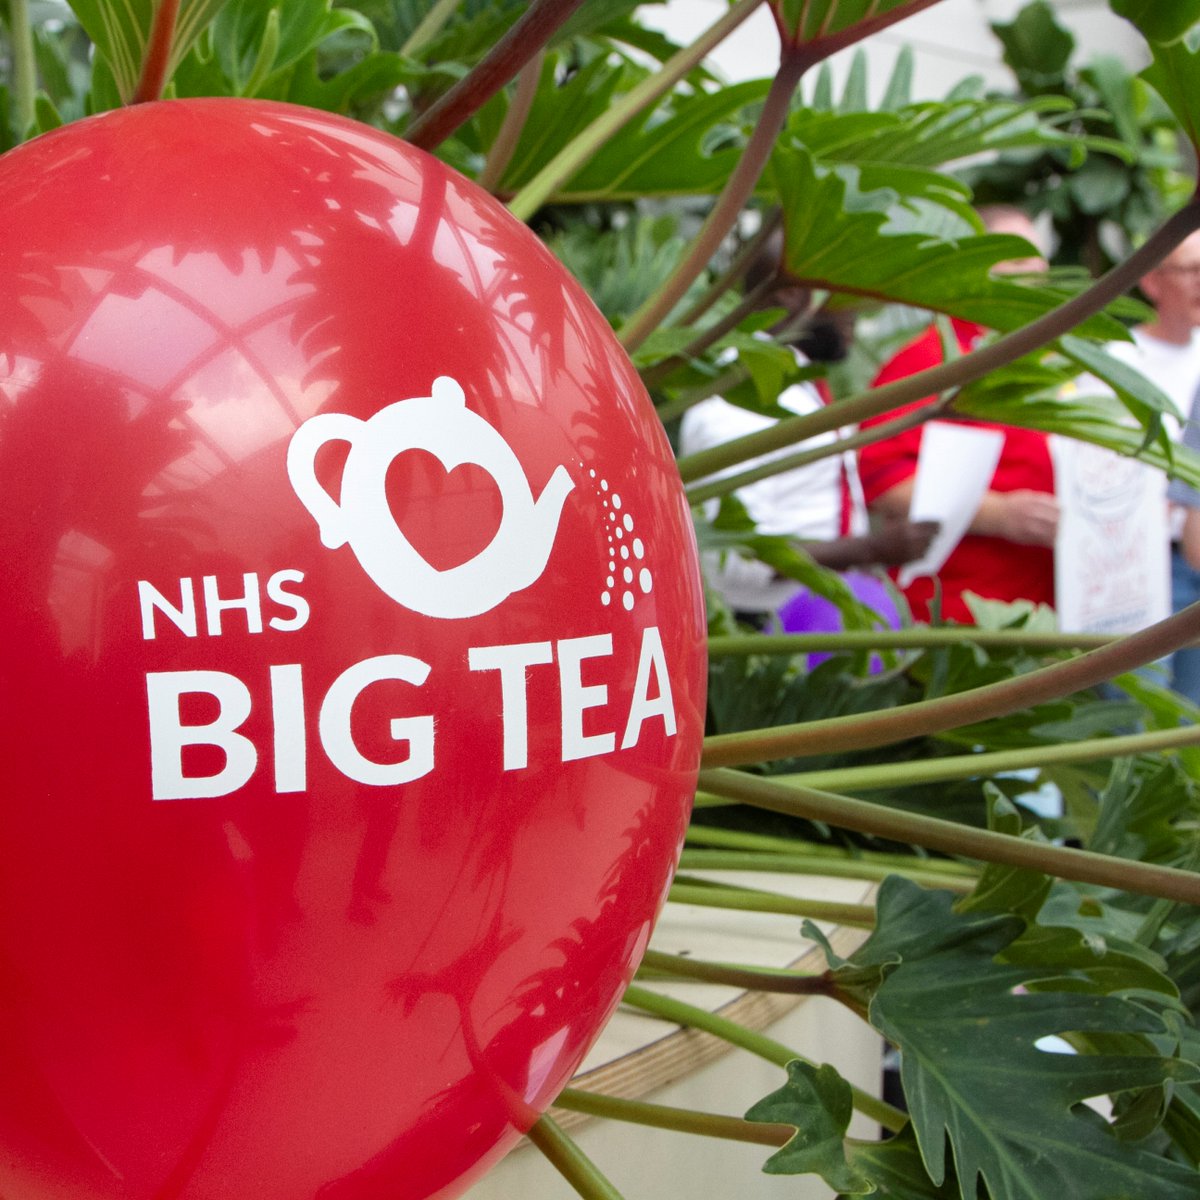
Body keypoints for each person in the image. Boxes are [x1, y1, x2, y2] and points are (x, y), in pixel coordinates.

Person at [680, 240, 937, 623]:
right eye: (844, 292)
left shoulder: (790, 381)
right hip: (764, 631)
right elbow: (735, 556)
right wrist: (869, 549)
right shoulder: (743, 390)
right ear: (789, 290)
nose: (856, 311)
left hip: (811, 616)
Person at [858, 206, 1059, 623]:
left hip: (1040, 613)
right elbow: (878, 478)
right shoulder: (933, 358)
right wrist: (997, 514)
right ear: (978, 264)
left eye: (1041, 258)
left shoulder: (1047, 359)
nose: (1038, 270)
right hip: (952, 613)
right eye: (1021, 258)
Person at [1104, 232, 1200, 698]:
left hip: (1195, 550)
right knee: (1136, 702)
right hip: (1140, 556)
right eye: (1191, 270)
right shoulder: (1116, 361)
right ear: (1152, 281)